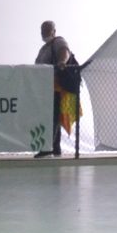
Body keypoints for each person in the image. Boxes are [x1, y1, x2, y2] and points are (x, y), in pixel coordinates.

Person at [33, 20, 80, 157]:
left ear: (54, 31)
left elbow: (64, 52)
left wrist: (62, 62)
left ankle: (48, 147)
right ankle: (55, 147)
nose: (44, 33)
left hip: (56, 87)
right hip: (45, 88)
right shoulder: (43, 49)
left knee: (52, 117)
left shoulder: (58, 42)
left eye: (47, 30)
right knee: (53, 117)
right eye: (43, 30)